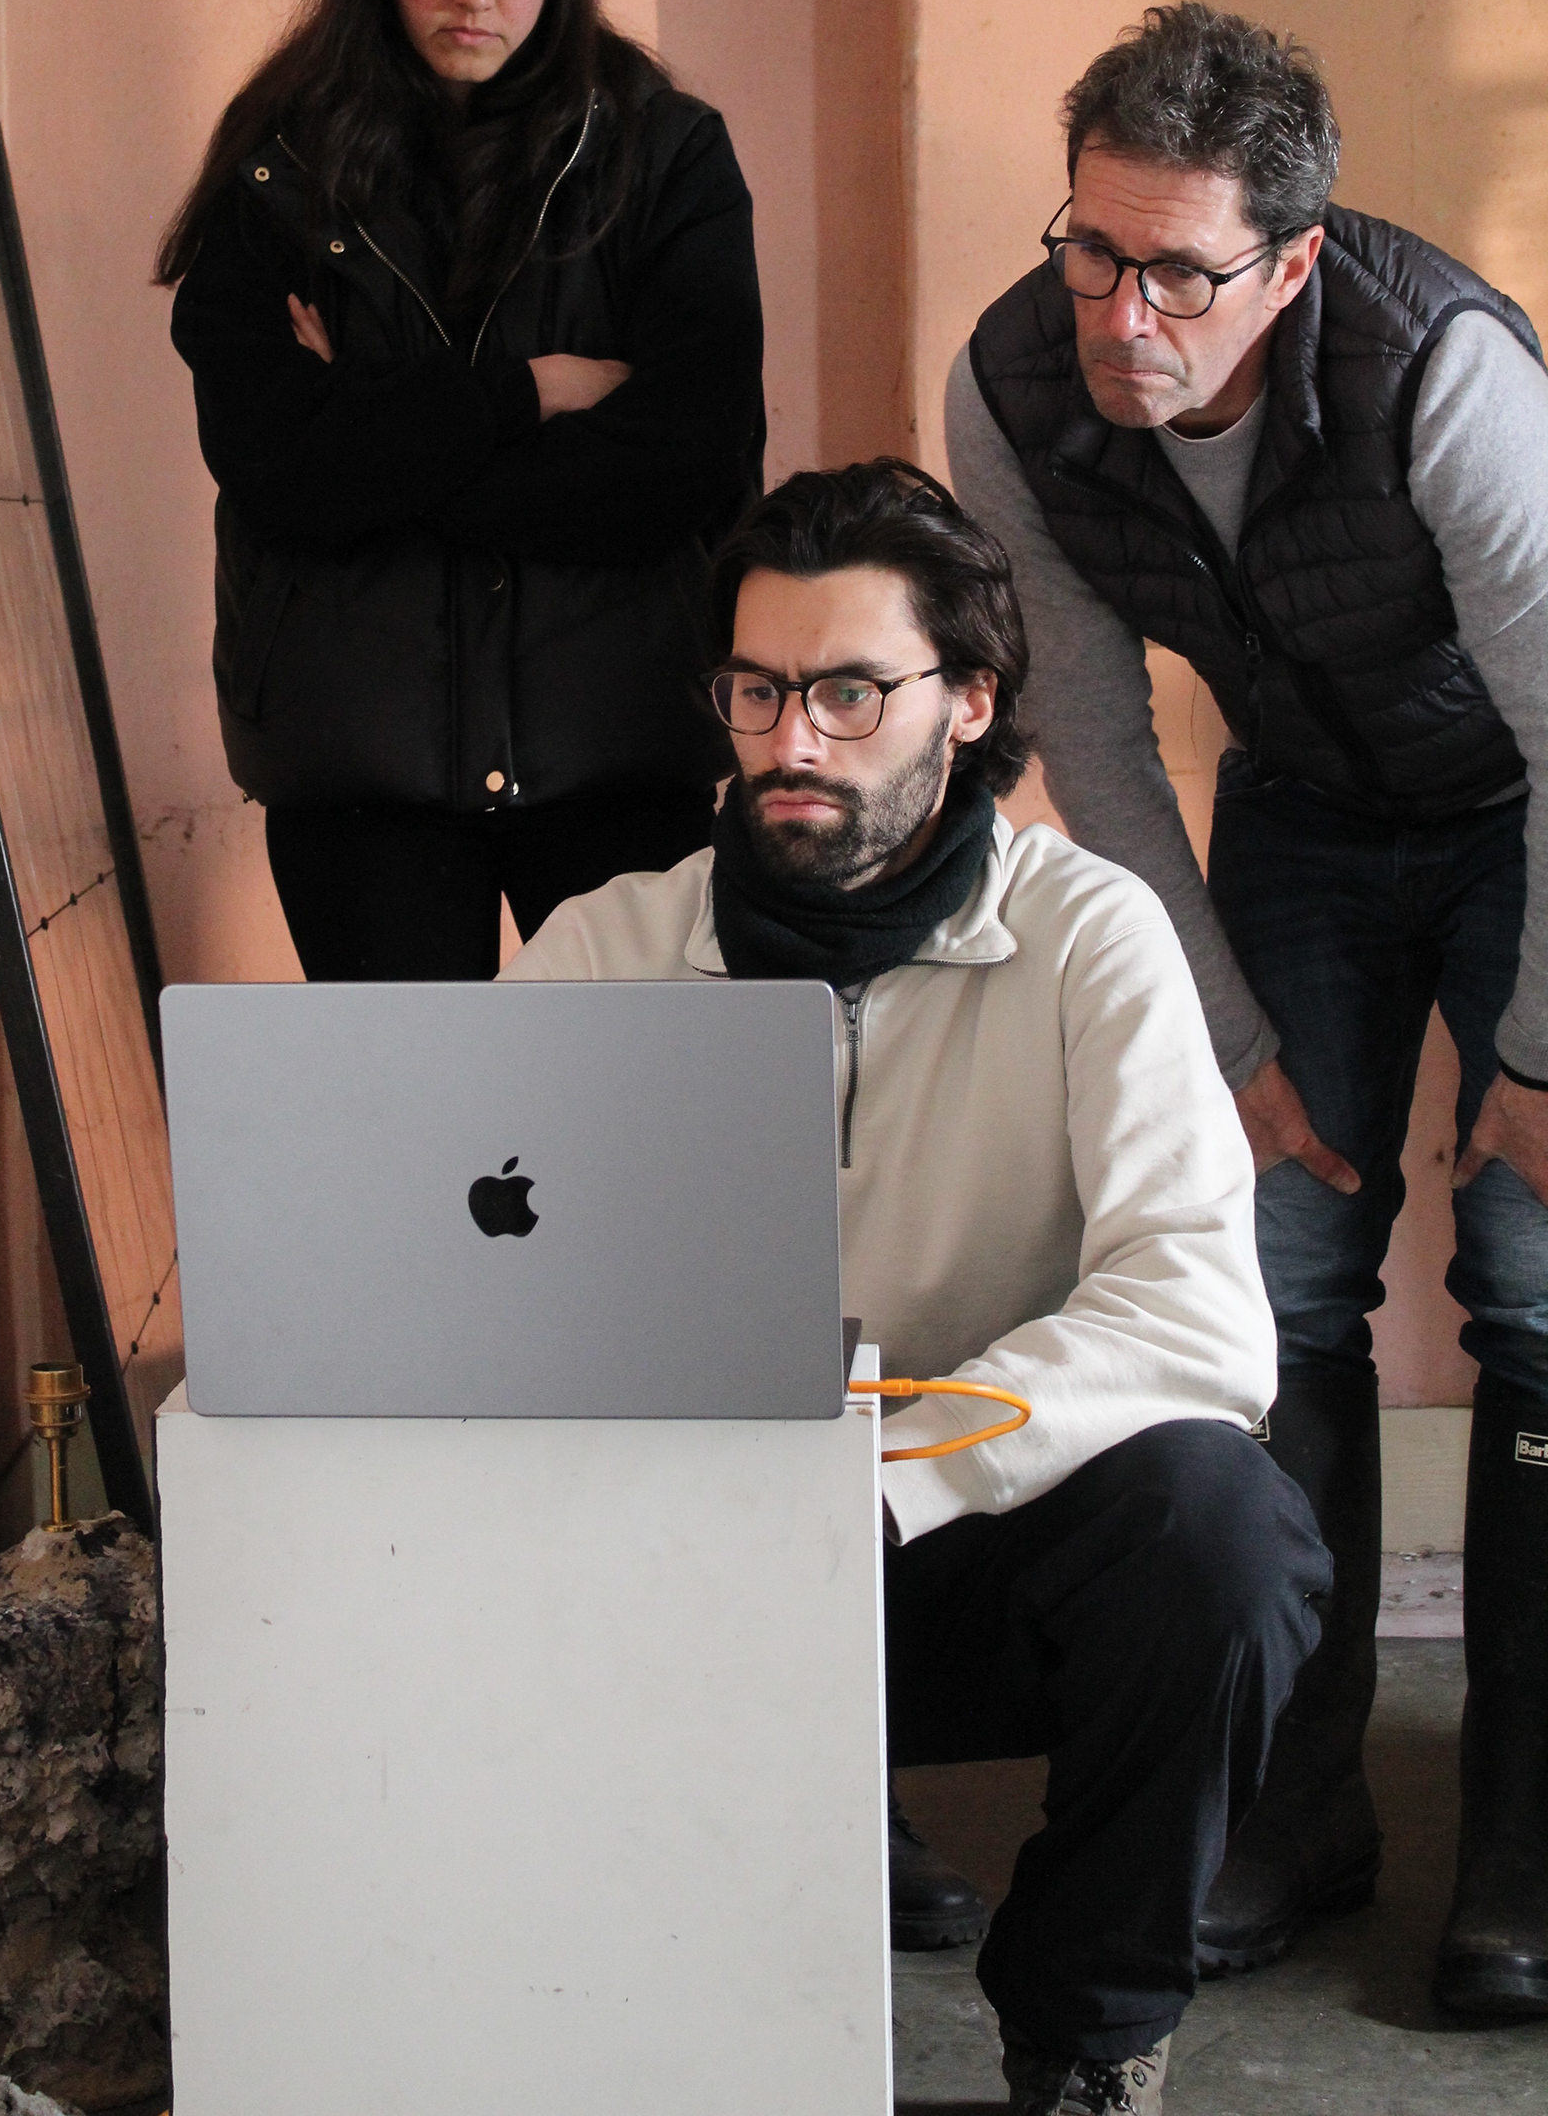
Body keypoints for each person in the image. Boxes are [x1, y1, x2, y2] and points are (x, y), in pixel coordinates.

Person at [508, 458, 1325, 2116]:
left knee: (1224, 1534)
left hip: (955, 1541)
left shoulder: (1090, 935)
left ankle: (1089, 2041)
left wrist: (895, 1473)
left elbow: (1200, 1313)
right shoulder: (606, 947)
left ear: (970, 701)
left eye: (849, 692)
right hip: (677, 1559)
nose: (793, 741)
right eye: (758, 690)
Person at [946, 0, 1548, 2018]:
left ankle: (1527, 1853)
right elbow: (1097, 743)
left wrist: (1539, 1059)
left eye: (1182, 274)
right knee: (1270, 1279)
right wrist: (1231, 1042)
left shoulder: (1439, 370)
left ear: (1289, 266)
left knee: (1539, 1283)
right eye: (1091, 251)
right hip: (1300, 814)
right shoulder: (1012, 386)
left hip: (1525, 809)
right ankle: (1294, 1810)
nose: (1124, 318)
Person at [159, 0, 763, 980]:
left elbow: (688, 461)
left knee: (632, 1101)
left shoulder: (666, 156)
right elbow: (274, 460)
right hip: (358, 769)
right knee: (409, 1109)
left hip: (617, 743)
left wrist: (374, 443)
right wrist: (528, 396)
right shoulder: (279, 168)